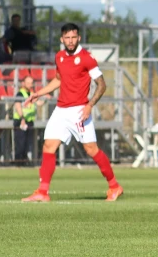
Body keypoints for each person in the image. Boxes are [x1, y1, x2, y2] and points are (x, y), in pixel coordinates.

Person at [21, 22, 123, 202]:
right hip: (61, 110)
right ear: (62, 39)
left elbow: (101, 84)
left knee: (91, 149)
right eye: (67, 37)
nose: (70, 41)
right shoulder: (59, 57)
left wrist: (89, 105)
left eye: (73, 37)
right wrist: (38, 93)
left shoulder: (86, 58)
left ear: (79, 38)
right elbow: (59, 79)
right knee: (48, 146)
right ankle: (43, 192)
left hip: (79, 110)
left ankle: (114, 186)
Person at [13, 75, 47, 165]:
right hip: (21, 121)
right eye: (28, 83)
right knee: (20, 143)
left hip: (29, 121)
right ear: (23, 83)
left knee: (28, 143)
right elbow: (18, 106)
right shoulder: (20, 94)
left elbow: (39, 103)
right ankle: (18, 162)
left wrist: (46, 98)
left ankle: (24, 161)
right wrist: (22, 118)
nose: (30, 85)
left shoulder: (32, 94)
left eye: (31, 83)